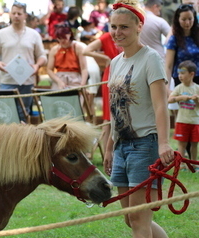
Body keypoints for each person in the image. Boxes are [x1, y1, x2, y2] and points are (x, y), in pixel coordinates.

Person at [103, 0, 174, 237]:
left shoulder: (151, 58)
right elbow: (115, 109)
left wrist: (164, 143)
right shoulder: (115, 62)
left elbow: (160, 105)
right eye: (113, 27)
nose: (117, 32)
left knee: (139, 219)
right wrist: (110, 146)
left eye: (123, 27)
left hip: (145, 144)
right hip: (122, 145)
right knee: (130, 219)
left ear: (138, 27)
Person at [0, 2, 46, 121]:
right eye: (13, 13)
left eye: (19, 13)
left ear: (25, 15)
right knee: (7, 113)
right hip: (7, 79)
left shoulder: (34, 35)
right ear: (10, 14)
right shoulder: (0, 34)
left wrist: (37, 65)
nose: (16, 16)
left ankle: (21, 139)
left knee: (24, 114)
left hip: (27, 81)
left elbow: (42, 56)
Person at [83, 29, 123, 155]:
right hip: (111, 74)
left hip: (125, 73)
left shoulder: (126, 35)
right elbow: (86, 50)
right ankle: (107, 153)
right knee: (108, 115)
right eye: (113, 25)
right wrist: (105, 57)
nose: (116, 29)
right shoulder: (107, 37)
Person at [168, 60, 199, 170]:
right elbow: (169, 100)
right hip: (182, 121)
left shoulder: (197, 88)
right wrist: (180, 98)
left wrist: (196, 100)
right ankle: (180, 164)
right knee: (182, 144)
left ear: (191, 74)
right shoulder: (179, 88)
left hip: (195, 121)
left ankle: (194, 163)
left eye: (182, 73)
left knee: (195, 144)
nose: (180, 76)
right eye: (179, 73)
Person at [46, 25, 88, 90]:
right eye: (59, 38)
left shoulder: (78, 47)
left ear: (70, 35)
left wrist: (82, 84)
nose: (62, 40)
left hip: (75, 78)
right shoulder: (54, 49)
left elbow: (84, 68)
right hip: (59, 78)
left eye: (64, 38)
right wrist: (58, 81)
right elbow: (49, 69)